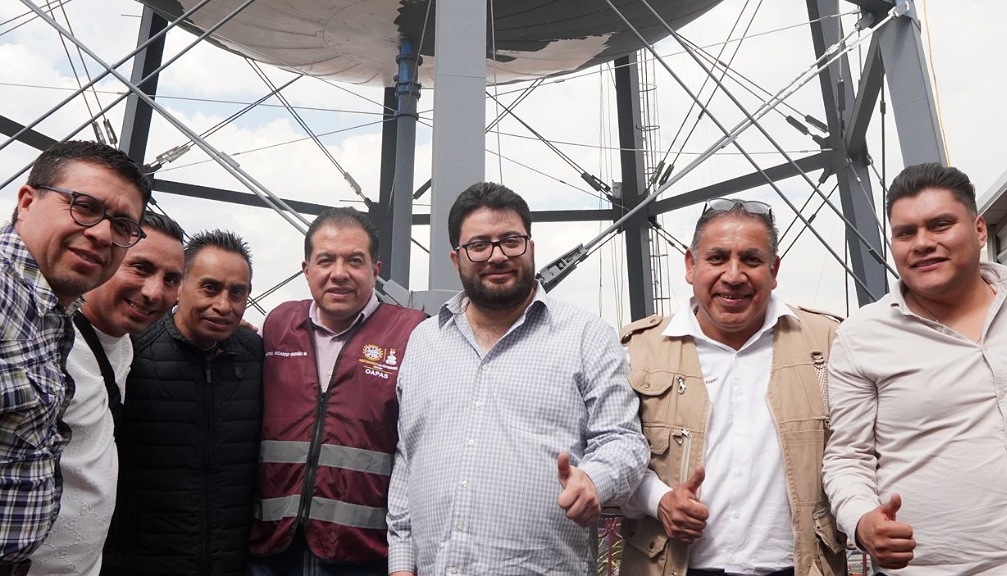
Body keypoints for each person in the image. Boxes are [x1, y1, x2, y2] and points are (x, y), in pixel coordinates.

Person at [386, 182, 648, 576]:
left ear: (531, 247)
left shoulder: (586, 335)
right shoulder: (424, 341)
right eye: (479, 245)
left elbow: (624, 441)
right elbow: (408, 457)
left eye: (511, 241)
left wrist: (594, 479)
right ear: (456, 259)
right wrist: (401, 565)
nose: (497, 256)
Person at [618, 197, 848, 576]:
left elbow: (855, 452)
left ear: (774, 270)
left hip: (799, 567)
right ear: (690, 265)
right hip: (673, 567)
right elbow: (612, 451)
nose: (734, 275)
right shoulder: (637, 351)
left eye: (752, 260)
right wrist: (657, 500)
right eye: (717, 258)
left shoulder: (829, 343)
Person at [823, 163, 1007, 575]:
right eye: (905, 233)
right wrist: (862, 521)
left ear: (979, 230)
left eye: (940, 225)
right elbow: (847, 456)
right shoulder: (861, 336)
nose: (923, 243)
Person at [248, 208, 425, 575]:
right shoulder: (278, 325)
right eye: (326, 260)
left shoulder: (411, 334)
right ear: (306, 269)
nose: (339, 273)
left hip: (364, 556)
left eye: (354, 261)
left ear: (375, 270)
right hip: (272, 552)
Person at [1, 140, 149, 572]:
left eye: (122, 225)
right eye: (84, 206)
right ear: (27, 201)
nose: (102, 233)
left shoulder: (53, 314)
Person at [30, 211, 185, 576]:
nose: (154, 292)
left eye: (171, 279)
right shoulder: (40, 344)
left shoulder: (126, 346)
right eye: (141, 268)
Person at [102, 230, 263, 576]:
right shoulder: (131, 353)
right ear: (181, 287)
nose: (224, 305)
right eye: (210, 288)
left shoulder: (257, 357)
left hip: (228, 564)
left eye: (237, 292)